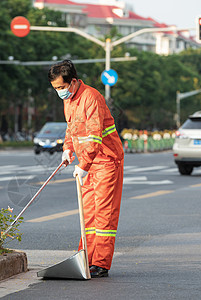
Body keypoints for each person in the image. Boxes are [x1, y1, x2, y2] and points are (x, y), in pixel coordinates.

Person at [48, 60, 124, 278]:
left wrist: (84, 165)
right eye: (56, 89)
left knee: (104, 213)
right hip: (87, 161)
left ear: (73, 82)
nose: (59, 93)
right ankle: (86, 257)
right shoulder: (70, 100)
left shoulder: (91, 97)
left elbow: (93, 135)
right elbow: (72, 127)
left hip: (106, 160)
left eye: (61, 88)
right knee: (88, 212)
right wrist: (68, 148)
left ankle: (101, 263)